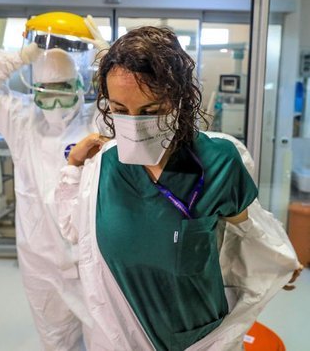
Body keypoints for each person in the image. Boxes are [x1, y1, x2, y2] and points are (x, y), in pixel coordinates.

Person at [55, 26, 302, 351]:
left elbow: (251, 228)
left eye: (151, 111)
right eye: (119, 110)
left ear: (180, 99)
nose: (132, 122)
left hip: (202, 337)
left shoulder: (219, 160)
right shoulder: (101, 167)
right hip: (122, 337)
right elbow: (75, 229)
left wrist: (280, 260)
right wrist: (72, 168)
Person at [0, 12, 109, 351]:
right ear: (33, 89)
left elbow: (135, 105)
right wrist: (20, 56)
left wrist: (107, 57)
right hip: (40, 260)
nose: (55, 102)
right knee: (55, 340)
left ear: (80, 88)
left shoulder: (96, 119)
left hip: (89, 258)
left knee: (105, 337)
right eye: (46, 92)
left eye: (64, 91)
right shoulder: (21, 118)